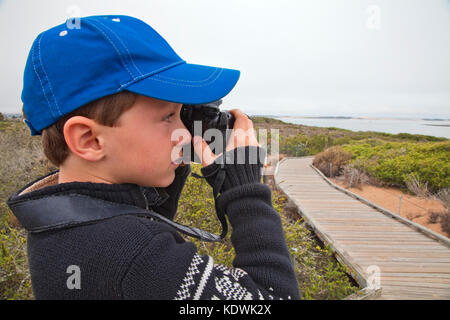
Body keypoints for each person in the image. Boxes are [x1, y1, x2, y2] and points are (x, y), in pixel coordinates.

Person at [7, 15, 300, 300]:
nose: (183, 133)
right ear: (89, 139)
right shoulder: (134, 255)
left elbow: (133, 219)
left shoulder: (60, 226)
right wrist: (244, 190)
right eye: (168, 117)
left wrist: (171, 162)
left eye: (182, 113)